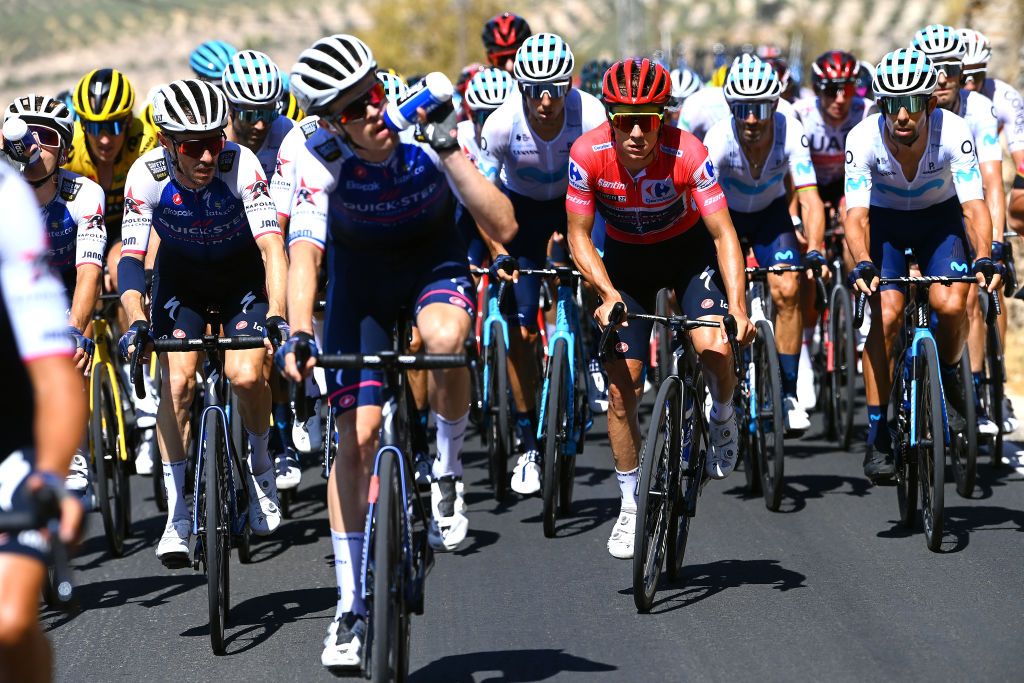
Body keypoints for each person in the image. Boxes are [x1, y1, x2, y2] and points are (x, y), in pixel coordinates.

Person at [275, 34, 516, 671]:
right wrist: (300, 330)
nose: (372, 112)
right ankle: (350, 606)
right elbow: (306, 253)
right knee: (352, 440)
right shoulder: (315, 157)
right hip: (359, 289)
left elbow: (504, 225)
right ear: (329, 121)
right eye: (353, 109)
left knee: (443, 341)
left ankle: (446, 470)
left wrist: (448, 149)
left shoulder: (422, 123)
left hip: (432, 266)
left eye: (374, 94)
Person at [567, 57, 754, 559]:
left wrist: (737, 307)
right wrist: (606, 295)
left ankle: (721, 413)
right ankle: (630, 506)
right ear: (609, 117)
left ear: (663, 119)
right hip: (626, 263)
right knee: (621, 385)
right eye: (623, 119)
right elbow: (578, 236)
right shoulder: (586, 154)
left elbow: (723, 234)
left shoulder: (688, 153)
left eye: (645, 120)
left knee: (714, 344)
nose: (634, 132)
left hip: (687, 255)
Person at [117, 79, 288, 566]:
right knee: (178, 385)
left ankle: (260, 467)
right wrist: (136, 320)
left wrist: (276, 313)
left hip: (241, 281)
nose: (209, 157)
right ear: (166, 143)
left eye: (215, 142)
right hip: (181, 283)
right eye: (194, 147)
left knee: (246, 374)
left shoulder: (243, 164)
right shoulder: (145, 176)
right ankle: (178, 512)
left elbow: (272, 246)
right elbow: (130, 264)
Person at [844, 48, 1000, 480]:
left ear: (929, 103)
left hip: (939, 220)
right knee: (888, 315)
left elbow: (973, 204)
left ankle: (949, 374)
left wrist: (984, 256)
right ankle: (878, 432)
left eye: (911, 104)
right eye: (891, 105)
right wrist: (861, 263)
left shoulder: (954, 130)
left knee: (951, 304)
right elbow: (856, 215)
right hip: (887, 225)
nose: (901, 117)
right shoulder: (862, 138)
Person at [475, 32, 607, 493]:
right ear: (520, 86)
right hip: (522, 212)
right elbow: (485, 201)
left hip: (579, 202)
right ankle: (531, 441)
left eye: (555, 88)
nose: (545, 100)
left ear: (570, 83)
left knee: (601, 282)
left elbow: (609, 183)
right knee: (521, 329)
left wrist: (601, 253)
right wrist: (499, 255)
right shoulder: (500, 123)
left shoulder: (590, 113)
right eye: (535, 89)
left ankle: (595, 359)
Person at [704, 56, 827, 433]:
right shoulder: (719, 138)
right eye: (742, 109)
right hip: (725, 215)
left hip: (771, 214)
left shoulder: (791, 130)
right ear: (730, 107)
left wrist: (816, 248)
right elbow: (699, 205)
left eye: (759, 108)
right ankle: (713, 376)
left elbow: (809, 197)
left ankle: (787, 391)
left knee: (788, 288)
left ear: (774, 105)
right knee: (717, 292)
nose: (752, 119)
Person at [0, 164, 86, 683]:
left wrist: (52, 478)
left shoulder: (6, 197)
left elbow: (56, 375)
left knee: (8, 623)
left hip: (9, 434)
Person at [3, 95, 106, 495]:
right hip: (16, 292)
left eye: (45, 137)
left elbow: (89, 271)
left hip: (63, 290)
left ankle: (74, 449)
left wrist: (75, 329)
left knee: (69, 350)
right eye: (25, 137)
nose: (33, 146)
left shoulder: (85, 194)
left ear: (64, 150)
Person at [64, 68, 160, 472]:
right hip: (87, 233)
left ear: (130, 122)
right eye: (95, 127)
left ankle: (137, 374)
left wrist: (142, 264)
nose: (106, 138)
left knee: (127, 272)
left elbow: (163, 207)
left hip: (136, 226)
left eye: (116, 125)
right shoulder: (72, 151)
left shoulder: (146, 141)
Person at [911, 24, 1004, 437]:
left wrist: (995, 244)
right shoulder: (896, 104)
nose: (945, 75)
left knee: (974, 295)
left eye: (952, 67)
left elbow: (993, 185)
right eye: (934, 67)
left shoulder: (979, 109)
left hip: (966, 206)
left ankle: (976, 394)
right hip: (912, 209)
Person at [221, 49, 303, 491]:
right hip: (226, 241)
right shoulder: (213, 137)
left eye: (268, 112)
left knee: (273, 340)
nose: (259, 123)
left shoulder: (287, 135)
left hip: (276, 238)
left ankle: (283, 431)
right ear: (230, 109)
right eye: (250, 113)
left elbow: (288, 216)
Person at [792, 50, 871, 404]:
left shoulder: (866, 111)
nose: (840, 98)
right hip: (809, 188)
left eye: (847, 89)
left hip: (850, 187)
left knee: (858, 240)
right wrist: (797, 219)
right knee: (809, 264)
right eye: (830, 90)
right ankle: (807, 345)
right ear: (816, 90)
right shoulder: (801, 115)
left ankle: (863, 309)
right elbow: (788, 177)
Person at [960, 26, 1024, 433]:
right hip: (944, 194)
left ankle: (991, 383)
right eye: (961, 76)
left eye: (976, 76)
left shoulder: (1001, 98)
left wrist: (998, 239)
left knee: (991, 282)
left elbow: (1018, 160)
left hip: (987, 188)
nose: (969, 85)